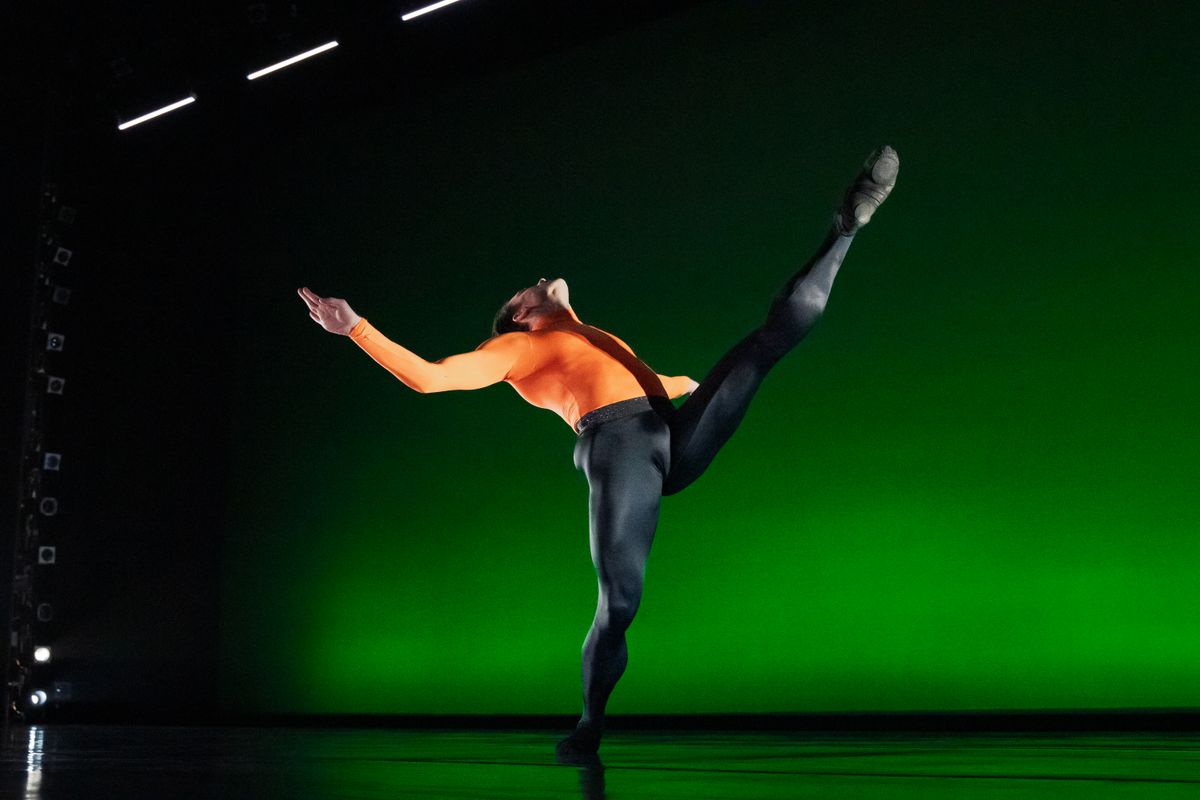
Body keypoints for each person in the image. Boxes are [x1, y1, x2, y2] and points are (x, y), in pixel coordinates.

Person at [296, 145, 899, 760]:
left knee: (765, 345)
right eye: (528, 289)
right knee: (621, 603)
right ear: (519, 314)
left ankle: (845, 227)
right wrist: (356, 328)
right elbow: (430, 378)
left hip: (669, 431)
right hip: (619, 449)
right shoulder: (520, 348)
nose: (540, 280)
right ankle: (590, 722)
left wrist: (693, 386)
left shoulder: (593, 335)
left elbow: (648, 384)